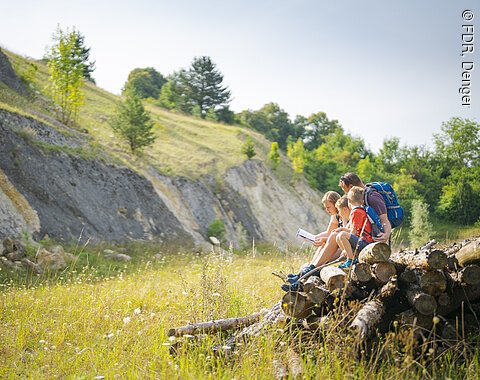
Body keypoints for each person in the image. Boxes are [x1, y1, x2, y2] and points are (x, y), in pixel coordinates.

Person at [335, 186, 374, 269]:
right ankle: (350, 257)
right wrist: (343, 229)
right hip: (362, 241)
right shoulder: (360, 210)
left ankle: (351, 259)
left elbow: (354, 232)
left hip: (365, 242)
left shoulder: (356, 212)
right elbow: (356, 229)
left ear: (348, 200)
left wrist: (345, 234)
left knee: (341, 235)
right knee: (338, 236)